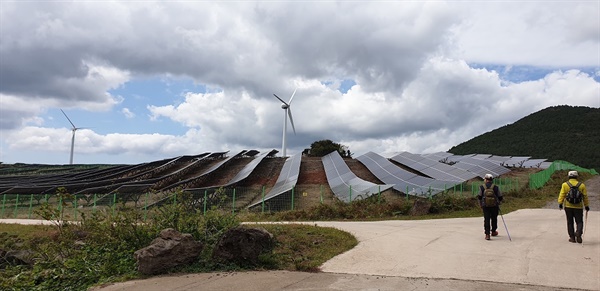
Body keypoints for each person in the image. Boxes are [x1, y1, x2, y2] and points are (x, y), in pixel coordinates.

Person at [558, 171, 589, 243]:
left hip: (568, 206)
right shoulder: (582, 185)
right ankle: (578, 233)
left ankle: (572, 237)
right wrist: (586, 205)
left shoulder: (565, 185)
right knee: (579, 221)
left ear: (569, 177)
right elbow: (585, 197)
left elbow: (562, 194)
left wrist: (560, 203)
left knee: (570, 222)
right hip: (579, 207)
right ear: (577, 177)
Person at [477, 174, 504, 240]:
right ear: (492, 180)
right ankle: (494, 231)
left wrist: (480, 204)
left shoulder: (482, 187)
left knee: (487, 219)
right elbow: (500, 197)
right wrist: (498, 202)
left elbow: (479, 197)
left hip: (485, 206)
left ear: (486, 179)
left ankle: (487, 234)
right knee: (494, 218)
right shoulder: (496, 187)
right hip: (494, 206)